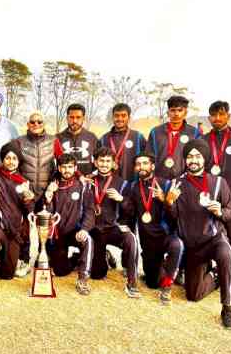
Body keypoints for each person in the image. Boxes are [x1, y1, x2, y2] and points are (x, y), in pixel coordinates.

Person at [164, 139, 231, 329]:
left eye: (197, 156)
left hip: (214, 239)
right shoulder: (176, 183)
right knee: (193, 295)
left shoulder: (219, 182)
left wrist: (220, 211)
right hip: (192, 246)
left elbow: (230, 212)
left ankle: (227, 308)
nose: (193, 160)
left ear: (204, 158)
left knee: (226, 255)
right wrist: (169, 202)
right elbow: (173, 217)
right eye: (189, 156)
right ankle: (218, 275)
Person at [0, 142, 36, 296]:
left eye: (14, 158)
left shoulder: (23, 182)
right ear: (2, 159)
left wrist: (28, 199)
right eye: (7, 158)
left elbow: (30, 211)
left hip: (14, 229)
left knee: (8, 273)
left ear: (19, 161)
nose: (11, 161)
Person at [125, 152, 183, 298]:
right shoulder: (133, 187)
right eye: (138, 164)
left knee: (176, 245)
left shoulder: (166, 184)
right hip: (148, 241)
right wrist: (121, 200)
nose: (141, 167)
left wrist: (164, 199)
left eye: (145, 163)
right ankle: (161, 266)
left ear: (153, 166)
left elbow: (176, 215)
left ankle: (168, 284)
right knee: (152, 283)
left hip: (166, 236)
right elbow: (131, 212)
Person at [203, 100, 231, 290]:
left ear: (228, 116)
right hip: (207, 199)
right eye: (213, 115)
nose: (217, 118)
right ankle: (209, 275)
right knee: (206, 237)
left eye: (221, 114)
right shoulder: (203, 140)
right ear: (209, 117)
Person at [42, 153, 95, 295]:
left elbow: (90, 211)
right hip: (57, 234)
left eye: (70, 167)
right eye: (64, 167)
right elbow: (47, 213)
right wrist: (48, 198)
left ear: (75, 168)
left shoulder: (83, 186)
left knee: (87, 239)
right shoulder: (53, 186)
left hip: (75, 231)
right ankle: (76, 259)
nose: (67, 170)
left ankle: (83, 279)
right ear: (59, 168)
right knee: (60, 271)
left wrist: (84, 229)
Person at [86, 148, 138, 291]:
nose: (104, 164)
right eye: (101, 161)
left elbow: (132, 210)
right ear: (95, 162)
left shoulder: (123, 183)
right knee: (97, 274)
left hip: (112, 228)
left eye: (108, 161)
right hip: (95, 230)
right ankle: (104, 257)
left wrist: (121, 199)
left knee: (130, 238)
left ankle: (131, 276)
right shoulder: (88, 181)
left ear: (114, 163)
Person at [13, 111, 57, 276]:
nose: (36, 125)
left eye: (39, 122)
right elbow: (10, 163)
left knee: (45, 229)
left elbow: (63, 163)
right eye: (32, 122)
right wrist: (22, 186)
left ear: (44, 124)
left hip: (46, 193)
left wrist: (54, 184)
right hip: (27, 193)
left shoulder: (54, 141)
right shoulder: (19, 142)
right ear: (28, 124)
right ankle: (23, 261)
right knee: (24, 228)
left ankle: (43, 260)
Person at [148, 95, 201, 180]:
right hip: (160, 181)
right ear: (168, 113)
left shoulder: (194, 133)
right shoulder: (155, 132)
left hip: (186, 181)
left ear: (185, 113)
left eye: (180, 110)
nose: (176, 114)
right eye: (173, 110)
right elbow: (149, 157)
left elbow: (199, 158)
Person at [99, 103, 147, 182]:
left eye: (123, 115)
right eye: (116, 116)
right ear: (112, 117)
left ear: (129, 118)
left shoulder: (138, 137)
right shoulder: (104, 139)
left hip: (133, 183)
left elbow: (146, 160)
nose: (120, 119)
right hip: (109, 184)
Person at [55, 103, 98, 175]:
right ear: (67, 118)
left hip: (86, 182)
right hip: (65, 183)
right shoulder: (57, 138)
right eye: (71, 117)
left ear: (83, 118)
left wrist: (94, 174)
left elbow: (100, 160)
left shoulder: (92, 137)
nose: (74, 121)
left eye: (78, 117)